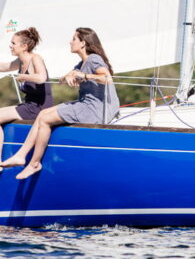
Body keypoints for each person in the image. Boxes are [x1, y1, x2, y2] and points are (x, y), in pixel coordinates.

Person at [6, 27, 119, 180]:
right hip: (85, 104)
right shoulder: (81, 63)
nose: (70, 42)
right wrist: (67, 76)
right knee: (42, 114)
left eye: (74, 39)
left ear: (83, 43)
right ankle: (21, 155)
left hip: (95, 109)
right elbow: (62, 79)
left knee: (45, 119)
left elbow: (107, 78)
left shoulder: (94, 59)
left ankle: (34, 163)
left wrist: (84, 75)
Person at [0, 27, 52, 176]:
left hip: (38, 109)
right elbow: (4, 66)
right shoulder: (21, 61)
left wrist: (25, 77)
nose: (10, 46)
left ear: (24, 46)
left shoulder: (35, 59)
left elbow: (41, 77)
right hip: (29, 105)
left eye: (13, 43)